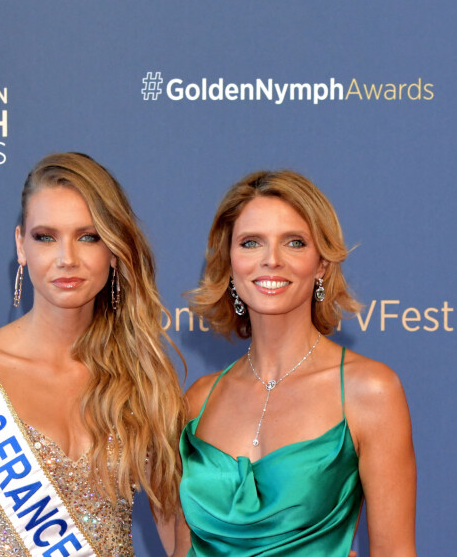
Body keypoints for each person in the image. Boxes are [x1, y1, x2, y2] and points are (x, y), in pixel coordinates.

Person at [0, 152, 186, 556]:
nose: (67, 259)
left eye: (88, 236)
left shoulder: (143, 377)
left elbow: (182, 543)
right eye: (46, 237)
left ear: (113, 251)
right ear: (20, 246)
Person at [177, 170, 416, 556]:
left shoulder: (369, 391)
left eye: (294, 243)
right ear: (230, 261)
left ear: (321, 263)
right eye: (251, 243)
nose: (271, 260)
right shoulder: (197, 401)